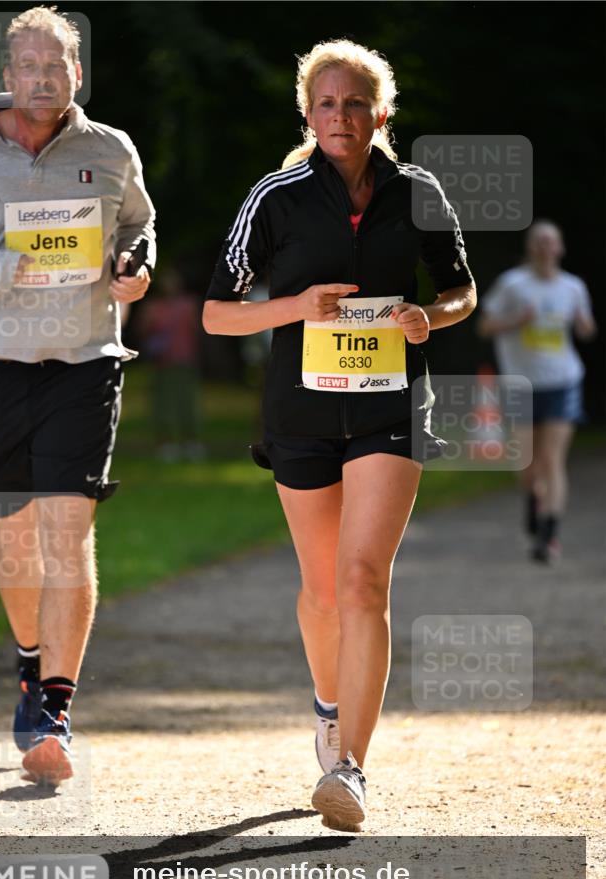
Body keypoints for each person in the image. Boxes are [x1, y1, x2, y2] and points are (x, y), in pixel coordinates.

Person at [203, 39, 476, 830]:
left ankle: (349, 768)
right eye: (325, 103)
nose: (340, 116)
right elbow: (218, 314)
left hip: (390, 408)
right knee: (322, 587)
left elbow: (459, 289)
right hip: (301, 412)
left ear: (380, 113)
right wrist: (296, 306)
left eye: (354, 103)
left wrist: (431, 316)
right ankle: (327, 705)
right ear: (307, 113)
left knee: (362, 581)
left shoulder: (417, 191)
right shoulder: (277, 196)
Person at [0, 6, 155, 785]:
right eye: (27, 67)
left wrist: (137, 263)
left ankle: (55, 706)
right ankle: (29, 660)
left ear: (77, 75)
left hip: (85, 358)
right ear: (5, 76)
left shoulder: (109, 148)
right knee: (15, 538)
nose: (40, 79)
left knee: (69, 526)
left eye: (54, 67)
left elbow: (138, 224)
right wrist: (6, 273)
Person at [478, 220, 596, 563]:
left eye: (551, 242)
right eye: (540, 242)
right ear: (531, 248)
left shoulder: (572, 287)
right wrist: (516, 321)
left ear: (560, 249)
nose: (546, 248)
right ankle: (532, 500)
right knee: (528, 462)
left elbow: (585, 328)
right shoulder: (512, 284)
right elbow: (485, 326)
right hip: (520, 383)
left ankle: (550, 533)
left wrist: (585, 326)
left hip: (563, 381)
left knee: (552, 460)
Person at [135, 268, 204, 461]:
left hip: (185, 359)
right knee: (162, 404)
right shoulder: (153, 306)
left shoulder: (189, 304)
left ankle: (190, 441)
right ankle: (165, 443)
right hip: (161, 362)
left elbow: (197, 330)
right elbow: (141, 330)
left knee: (187, 402)